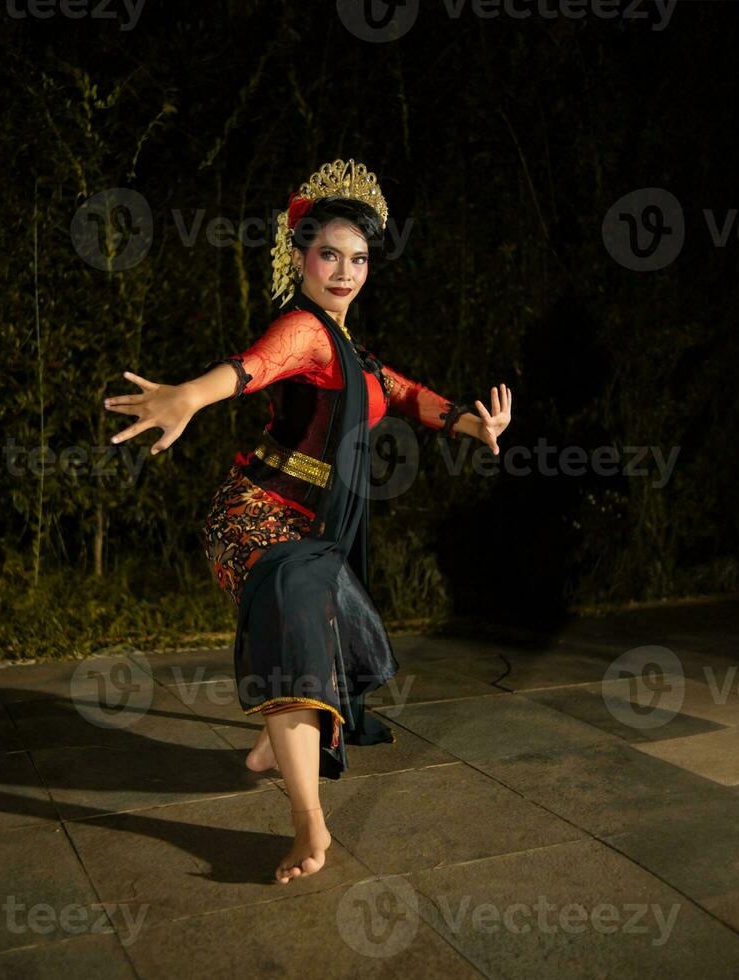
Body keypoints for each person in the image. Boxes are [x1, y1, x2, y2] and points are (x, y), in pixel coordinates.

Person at [102, 159, 512, 884]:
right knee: (299, 636)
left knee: (343, 639)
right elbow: (253, 365)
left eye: (358, 259)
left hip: (307, 533)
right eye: (331, 255)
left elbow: (409, 394)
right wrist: (191, 397)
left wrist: (472, 427)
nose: (346, 271)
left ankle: (270, 747)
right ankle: (308, 823)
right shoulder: (307, 330)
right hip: (251, 518)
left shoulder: (354, 353)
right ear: (301, 258)